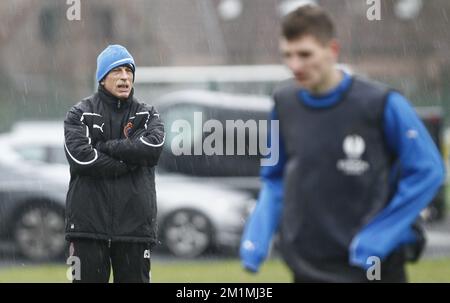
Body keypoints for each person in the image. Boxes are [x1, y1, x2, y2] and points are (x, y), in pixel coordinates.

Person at [240, 5, 445, 283]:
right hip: (309, 266)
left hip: (373, 268)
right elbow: (274, 178)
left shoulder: (381, 103)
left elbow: (428, 171)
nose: (295, 65)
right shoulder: (284, 103)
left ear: (332, 50)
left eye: (305, 54)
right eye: (287, 55)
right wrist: (256, 238)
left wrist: (378, 237)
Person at [64, 44, 165, 283]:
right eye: (117, 71)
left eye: (129, 71)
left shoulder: (147, 114)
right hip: (87, 228)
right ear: (102, 78)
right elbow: (81, 158)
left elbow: (151, 150)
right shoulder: (80, 114)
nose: (124, 77)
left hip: (135, 229)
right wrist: (128, 161)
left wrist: (107, 147)